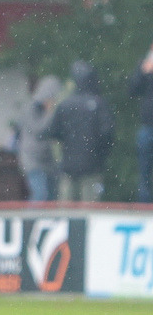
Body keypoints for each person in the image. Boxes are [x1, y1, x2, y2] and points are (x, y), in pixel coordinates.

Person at [43, 60, 114, 202]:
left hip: (68, 164)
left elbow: (52, 131)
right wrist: (100, 154)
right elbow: (107, 133)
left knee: (65, 209)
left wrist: (68, 143)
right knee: (90, 209)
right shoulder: (98, 104)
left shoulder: (66, 104)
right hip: (92, 165)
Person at [15, 76, 61, 201]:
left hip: (48, 161)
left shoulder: (44, 109)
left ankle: (45, 220)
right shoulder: (30, 108)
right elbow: (40, 130)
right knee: (40, 195)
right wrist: (50, 112)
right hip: (32, 160)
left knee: (51, 198)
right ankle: (31, 220)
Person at [128, 44, 153, 203]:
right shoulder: (144, 67)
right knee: (144, 171)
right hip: (147, 126)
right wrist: (143, 71)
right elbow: (131, 90)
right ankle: (144, 205)